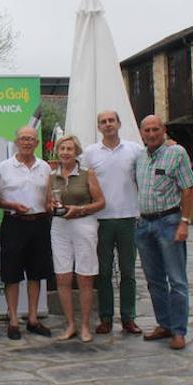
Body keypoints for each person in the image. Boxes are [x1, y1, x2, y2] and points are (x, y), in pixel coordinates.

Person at [82, 111, 143, 335]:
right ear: (99, 127)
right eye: (103, 122)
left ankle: (129, 317)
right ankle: (106, 317)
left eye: (111, 121)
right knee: (104, 272)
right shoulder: (89, 153)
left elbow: (143, 177)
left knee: (128, 272)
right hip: (101, 220)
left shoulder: (135, 150)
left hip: (128, 217)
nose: (108, 125)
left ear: (119, 124)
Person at [135, 115, 193, 350]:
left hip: (169, 222)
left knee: (177, 280)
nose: (151, 134)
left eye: (155, 129)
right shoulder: (139, 158)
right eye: (147, 130)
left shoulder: (177, 153)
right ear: (141, 133)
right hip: (144, 225)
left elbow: (188, 190)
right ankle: (164, 324)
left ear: (164, 130)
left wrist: (184, 222)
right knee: (154, 280)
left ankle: (179, 331)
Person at [0, 126, 53, 340]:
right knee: (12, 274)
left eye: (31, 139)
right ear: (16, 142)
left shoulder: (45, 167)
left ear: (37, 143)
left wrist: (52, 204)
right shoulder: (3, 168)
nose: (27, 142)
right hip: (14, 223)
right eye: (23, 138)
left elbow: (49, 197)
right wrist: (10, 204)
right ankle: (13, 320)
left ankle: (32, 319)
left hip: (39, 224)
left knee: (36, 273)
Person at [49, 135, 105, 343]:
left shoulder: (87, 174)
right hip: (59, 227)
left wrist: (79, 209)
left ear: (76, 152)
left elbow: (100, 203)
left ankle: (84, 326)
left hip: (83, 225)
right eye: (62, 148)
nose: (65, 152)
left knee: (85, 277)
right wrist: (51, 207)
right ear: (57, 151)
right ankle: (70, 324)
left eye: (69, 149)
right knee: (62, 277)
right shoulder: (51, 176)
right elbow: (48, 203)